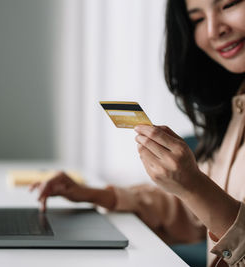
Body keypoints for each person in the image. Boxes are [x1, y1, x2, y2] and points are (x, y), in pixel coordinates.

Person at [30, 0, 245, 266]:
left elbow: (208, 203)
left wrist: (194, 186)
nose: (213, 30)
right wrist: (94, 194)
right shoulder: (237, 105)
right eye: (198, 19)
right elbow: (198, 212)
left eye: (229, 4)